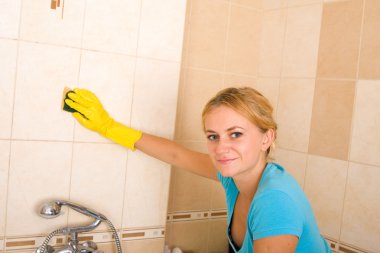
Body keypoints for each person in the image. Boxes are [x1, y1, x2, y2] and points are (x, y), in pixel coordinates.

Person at [65, 87, 332, 253]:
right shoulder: (236, 177)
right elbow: (175, 154)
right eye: (213, 136)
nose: (221, 148)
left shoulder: (275, 201)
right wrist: (109, 126)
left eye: (235, 134)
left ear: (267, 138)